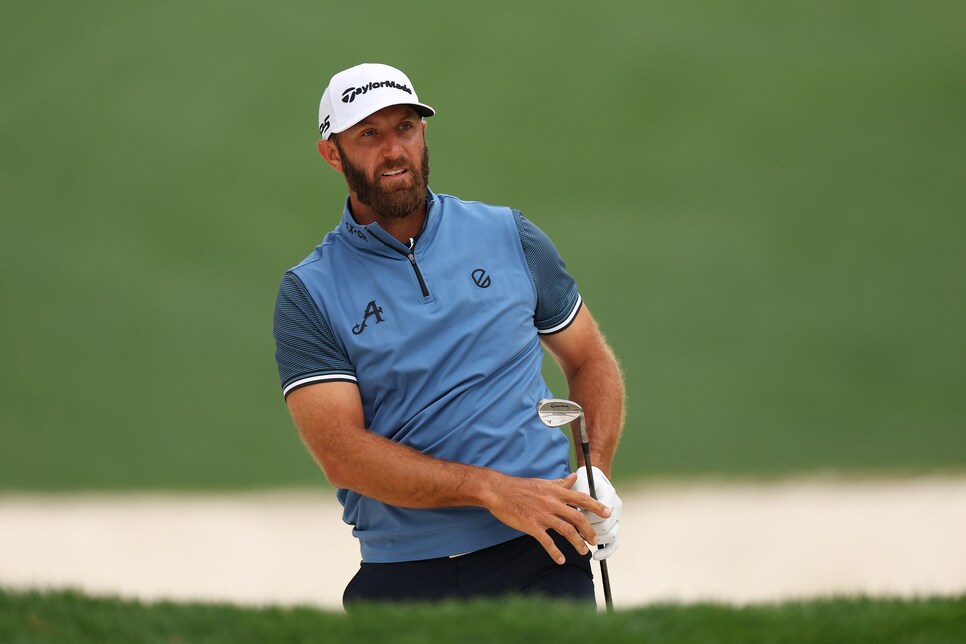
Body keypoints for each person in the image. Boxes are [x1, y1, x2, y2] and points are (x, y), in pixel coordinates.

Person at [273, 63, 625, 606]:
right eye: (369, 135)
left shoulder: (509, 234)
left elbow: (589, 360)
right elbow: (341, 453)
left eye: (405, 128)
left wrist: (594, 472)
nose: (393, 150)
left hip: (543, 553)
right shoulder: (310, 292)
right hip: (406, 574)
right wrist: (490, 489)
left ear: (423, 132)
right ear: (332, 153)